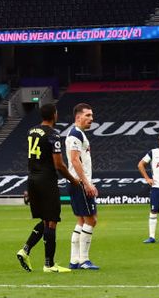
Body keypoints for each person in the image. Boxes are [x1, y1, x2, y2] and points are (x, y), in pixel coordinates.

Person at [16, 102, 75, 273]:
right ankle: (49, 264)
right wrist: (73, 180)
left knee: (45, 220)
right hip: (47, 180)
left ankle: (25, 250)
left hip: (32, 179)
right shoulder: (53, 135)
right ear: (54, 115)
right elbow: (59, 165)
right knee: (52, 221)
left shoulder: (31, 131)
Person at [65, 103, 99, 270]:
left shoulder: (78, 134)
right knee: (91, 220)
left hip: (77, 183)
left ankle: (74, 260)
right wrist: (87, 183)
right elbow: (74, 160)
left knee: (81, 220)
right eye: (88, 115)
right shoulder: (75, 134)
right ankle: (84, 260)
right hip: (79, 184)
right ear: (78, 117)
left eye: (92, 116)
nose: (91, 119)